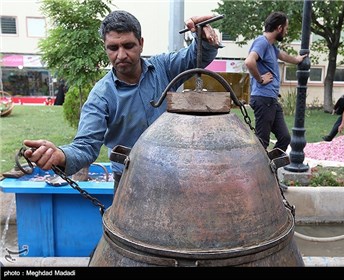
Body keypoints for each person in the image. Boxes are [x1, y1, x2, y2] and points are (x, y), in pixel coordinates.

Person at [22, 10, 221, 191]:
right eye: (113, 48)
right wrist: (61, 156)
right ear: (105, 48)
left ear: (141, 43)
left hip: (171, 175)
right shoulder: (101, 95)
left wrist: (202, 38)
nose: (121, 55)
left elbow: (195, 57)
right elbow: (85, 146)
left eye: (128, 46)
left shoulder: (163, 68)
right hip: (127, 180)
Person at [244, 11, 307, 153]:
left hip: (271, 100)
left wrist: (297, 60)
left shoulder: (271, 46)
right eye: (286, 28)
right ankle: (256, 172)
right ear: (279, 28)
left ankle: (270, 166)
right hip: (263, 98)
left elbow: (282, 55)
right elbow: (249, 61)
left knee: (284, 138)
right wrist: (260, 79)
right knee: (262, 141)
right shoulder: (262, 42)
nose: (286, 31)